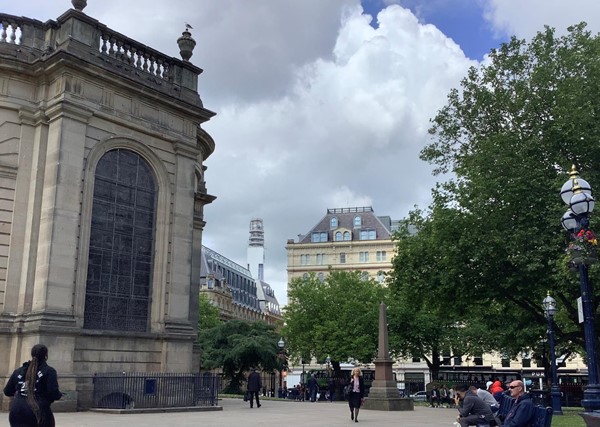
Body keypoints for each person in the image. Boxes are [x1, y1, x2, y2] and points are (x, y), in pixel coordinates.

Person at [3, 344, 62, 427]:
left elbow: (7, 391)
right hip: (38, 412)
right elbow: (53, 393)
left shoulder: (18, 371)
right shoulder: (49, 371)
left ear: (32, 354)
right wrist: (59, 395)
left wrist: (21, 393)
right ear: (46, 355)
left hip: (16, 411)